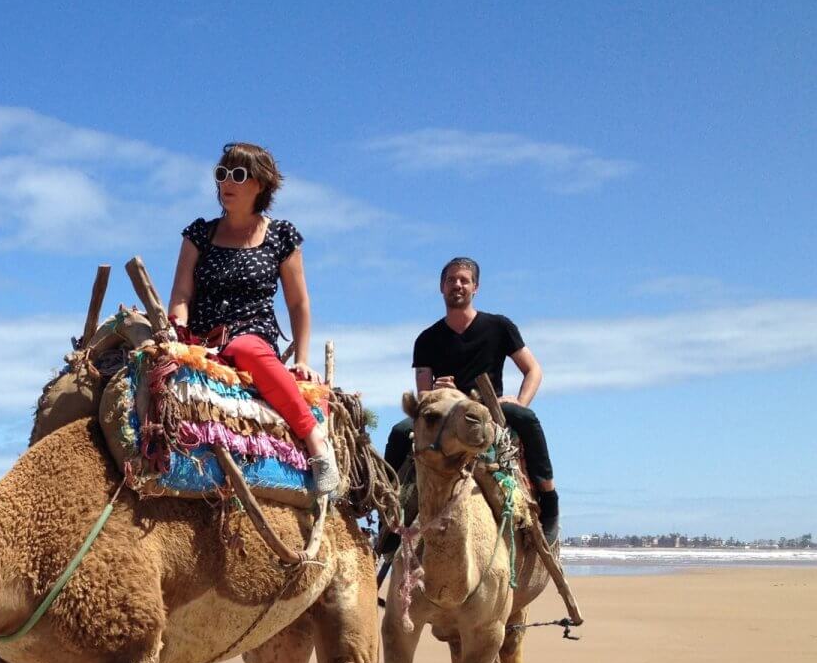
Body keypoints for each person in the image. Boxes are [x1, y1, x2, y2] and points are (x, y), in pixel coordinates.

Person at [168, 142, 340, 495]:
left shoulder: (281, 235)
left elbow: (298, 303)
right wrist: (177, 335)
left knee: (246, 348)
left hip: (251, 332)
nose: (226, 182)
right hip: (202, 336)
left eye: (238, 175)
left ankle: (314, 439)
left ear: (260, 184)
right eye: (221, 174)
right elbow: (182, 295)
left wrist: (303, 358)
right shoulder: (199, 234)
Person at [383, 257, 560, 538]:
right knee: (399, 431)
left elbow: (533, 370)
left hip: (488, 409)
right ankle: (387, 512)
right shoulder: (427, 339)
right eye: (451, 279)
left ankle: (549, 503)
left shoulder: (499, 326)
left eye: (464, 280)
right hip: (445, 413)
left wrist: (520, 401)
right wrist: (435, 390)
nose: (457, 285)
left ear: (475, 287)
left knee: (527, 418)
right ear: (441, 287)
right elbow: (423, 396)